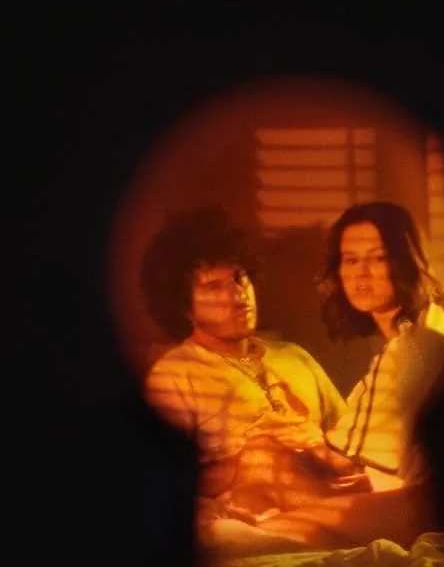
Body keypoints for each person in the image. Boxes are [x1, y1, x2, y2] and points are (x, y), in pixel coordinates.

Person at [139, 206, 369, 556]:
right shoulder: (174, 374)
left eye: (239, 277)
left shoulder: (294, 356)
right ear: (184, 307)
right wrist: (249, 454)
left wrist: (316, 444)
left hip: (333, 489)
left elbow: (354, 448)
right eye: (214, 286)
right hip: (260, 510)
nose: (236, 294)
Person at [256, 200, 444, 552]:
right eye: (351, 259)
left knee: (255, 530)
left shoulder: (413, 347)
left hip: (433, 505)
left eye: (378, 258)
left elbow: (343, 459)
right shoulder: (441, 318)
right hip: (425, 491)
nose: (362, 274)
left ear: (406, 261)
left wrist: (298, 437)